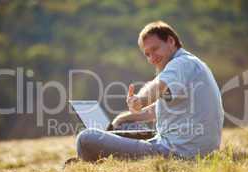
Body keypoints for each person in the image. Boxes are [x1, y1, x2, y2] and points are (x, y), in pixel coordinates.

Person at [75, 21, 224, 162]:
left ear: (171, 41)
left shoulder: (180, 63)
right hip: (193, 148)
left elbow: (157, 87)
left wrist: (140, 100)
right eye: (147, 54)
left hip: (177, 152)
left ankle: (92, 162)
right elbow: (159, 109)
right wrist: (123, 118)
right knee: (123, 125)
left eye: (155, 49)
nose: (152, 58)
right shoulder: (191, 64)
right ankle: (107, 152)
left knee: (85, 138)